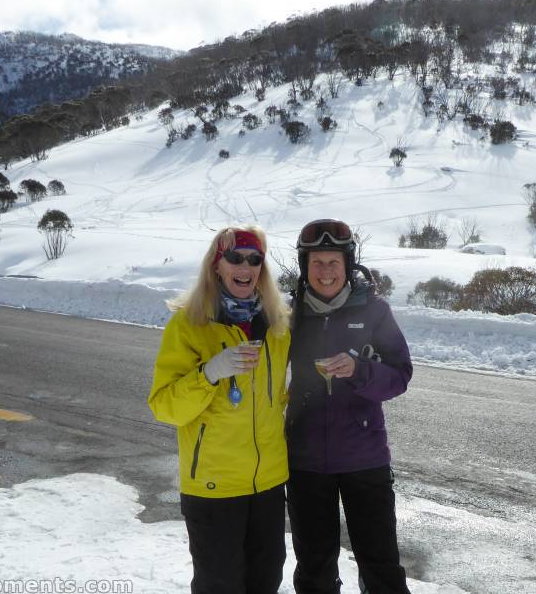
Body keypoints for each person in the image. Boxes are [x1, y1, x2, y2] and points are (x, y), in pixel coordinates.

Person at [148, 225, 291, 594]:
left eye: (254, 259)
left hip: (269, 485)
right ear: (217, 265)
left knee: (265, 583)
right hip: (214, 488)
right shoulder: (189, 324)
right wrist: (210, 373)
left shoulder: (277, 325)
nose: (245, 266)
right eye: (235, 257)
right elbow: (164, 406)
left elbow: (282, 398)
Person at [287, 218, 413, 594]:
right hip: (306, 462)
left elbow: (400, 375)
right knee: (314, 567)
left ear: (348, 265)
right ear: (305, 267)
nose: (325, 272)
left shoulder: (374, 312)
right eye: (317, 263)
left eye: (333, 263)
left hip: (365, 460)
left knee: (381, 564)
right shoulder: (289, 315)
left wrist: (361, 370)